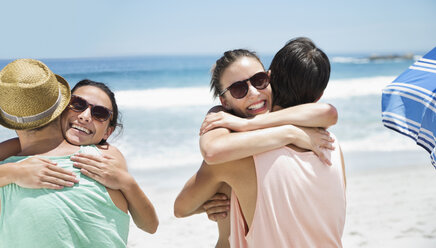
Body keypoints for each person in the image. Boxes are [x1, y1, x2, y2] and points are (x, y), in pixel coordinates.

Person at [174, 37, 346, 247]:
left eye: (259, 80)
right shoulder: (332, 144)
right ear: (224, 101)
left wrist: (277, 130)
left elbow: (182, 207)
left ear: (270, 78)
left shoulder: (237, 158)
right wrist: (289, 132)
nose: (254, 93)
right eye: (239, 89)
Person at [0, 59, 157, 248]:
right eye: (77, 104)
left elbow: (150, 225)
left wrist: (126, 182)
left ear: (108, 132)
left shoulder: (107, 158)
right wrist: (13, 172)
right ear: (62, 108)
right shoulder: (13, 155)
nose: (84, 116)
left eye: (100, 114)